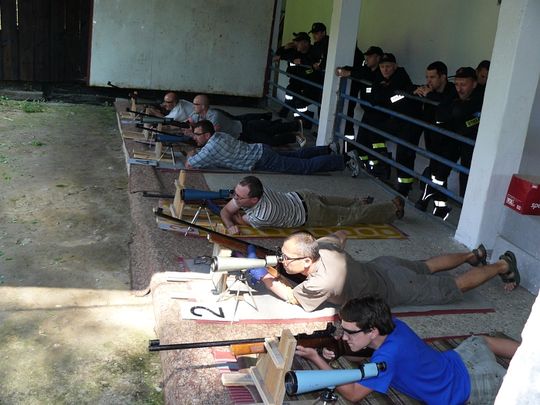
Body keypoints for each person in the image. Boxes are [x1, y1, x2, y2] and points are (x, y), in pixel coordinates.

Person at [295, 295, 519, 404]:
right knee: (481, 341)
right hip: (458, 359)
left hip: (470, 385)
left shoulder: (386, 359)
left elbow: (353, 394)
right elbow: (363, 352)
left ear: (372, 331)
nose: (343, 337)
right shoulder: (393, 325)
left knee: (522, 389)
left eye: (349, 332)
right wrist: (340, 349)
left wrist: (316, 359)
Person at [261, 230, 520, 312]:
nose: (283, 261)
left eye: (287, 258)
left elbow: (292, 297)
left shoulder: (321, 282)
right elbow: (342, 234)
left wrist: (264, 278)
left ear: (307, 260)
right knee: (428, 265)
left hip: (396, 288)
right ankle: (473, 255)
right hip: (384, 265)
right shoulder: (323, 246)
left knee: (455, 286)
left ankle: (503, 265)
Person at [219, 176, 404, 235]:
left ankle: (392, 208)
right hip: (303, 195)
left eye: (239, 197)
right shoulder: (257, 188)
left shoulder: (263, 215)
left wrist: (233, 222)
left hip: (312, 214)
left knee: (350, 216)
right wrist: (230, 220)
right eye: (235, 193)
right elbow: (227, 211)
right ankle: (359, 201)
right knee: (334, 201)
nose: (234, 198)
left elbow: (235, 217)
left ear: (254, 200)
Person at [185, 120, 354, 175]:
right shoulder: (219, 136)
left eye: (197, 134)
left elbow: (190, 165)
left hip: (261, 159)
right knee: (297, 156)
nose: (195, 137)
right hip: (261, 150)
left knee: (304, 166)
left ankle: (344, 160)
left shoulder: (211, 148)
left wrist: (191, 153)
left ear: (207, 135)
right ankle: (328, 149)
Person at [432, 67, 484, 218]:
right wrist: (456, 112)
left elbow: (460, 112)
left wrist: (456, 112)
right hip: (454, 139)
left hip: (471, 143)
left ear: (474, 84)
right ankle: (439, 206)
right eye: (456, 84)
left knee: (466, 175)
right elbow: (440, 114)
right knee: (440, 171)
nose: (459, 88)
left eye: (463, 84)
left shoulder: (480, 96)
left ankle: (465, 214)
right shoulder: (454, 94)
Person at [413, 61, 458, 214]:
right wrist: (416, 92)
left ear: (443, 77)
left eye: (432, 77)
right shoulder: (428, 89)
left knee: (439, 174)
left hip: (449, 140)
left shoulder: (453, 91)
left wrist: (429, 95)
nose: (428, 80)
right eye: (427, 77)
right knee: (435, 171)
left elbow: (447, 106)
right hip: (432, 137)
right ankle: (441, 206)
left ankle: (424, 199)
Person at [189, 94, 304, 146]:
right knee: (271, 131)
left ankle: (295, 132)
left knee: (271, 137)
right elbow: (190, 122)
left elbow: (209, 135)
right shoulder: (199, 115)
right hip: (242, 133)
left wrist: (192, 131)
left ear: (203, 106)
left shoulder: (214, 115)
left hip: (245, 129)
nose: (193, 106)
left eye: (195, 104)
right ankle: (295, 129)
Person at [336, 46, 384, 166]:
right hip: (368, 112)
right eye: (366, 56)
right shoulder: (366, 69)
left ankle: (378, 169)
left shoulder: (380, 73)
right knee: (362, 142)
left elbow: (371, 77)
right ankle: (363, 165)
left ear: (378, 58)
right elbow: (359, 71)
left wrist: (349, 73)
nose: (366, 59)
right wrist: (344, 69)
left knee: (376, 143)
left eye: (370, 56)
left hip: (379, 113)